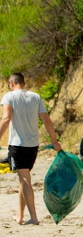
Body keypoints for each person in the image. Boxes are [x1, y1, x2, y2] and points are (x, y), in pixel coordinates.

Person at [0, 73, 62, 225]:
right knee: (23, 179)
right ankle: (20, 216)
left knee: (25, 178)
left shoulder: (9, 97)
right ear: (24, 82)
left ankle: (34, 217)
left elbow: (6, 118)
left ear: (12, 83)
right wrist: (55, 141)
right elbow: (46, 119)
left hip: (17, 145)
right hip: (33, 145)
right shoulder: (35, 97)